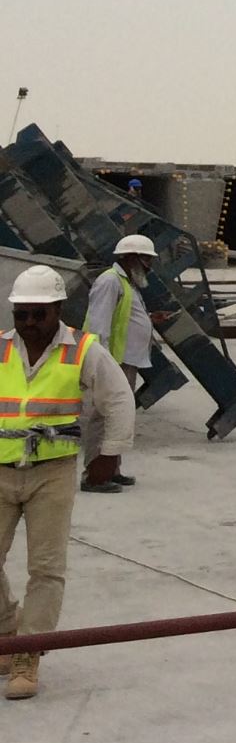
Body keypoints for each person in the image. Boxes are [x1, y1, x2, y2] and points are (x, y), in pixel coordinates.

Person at [0, 265, 135, 700]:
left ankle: (28, 654)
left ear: (58, 309)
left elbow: (118, 399)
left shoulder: (83, 350)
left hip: (52, 472)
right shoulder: (1, 348)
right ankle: (6, 631)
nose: (29, 323)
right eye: (21, 314)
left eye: (38, 314)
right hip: (1, 468)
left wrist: (109, 453)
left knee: (45, 568)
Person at [79, 235, 157, 492]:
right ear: (130, 258)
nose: (149, 266)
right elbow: (98, 325)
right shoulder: (109, 281)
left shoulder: (125, 283)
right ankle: (94, 476)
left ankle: (112, 470)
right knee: (101, 418)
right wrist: (101, 364)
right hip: (112, 362)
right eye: (146, 259)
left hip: (125, 362)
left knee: (118, 418)